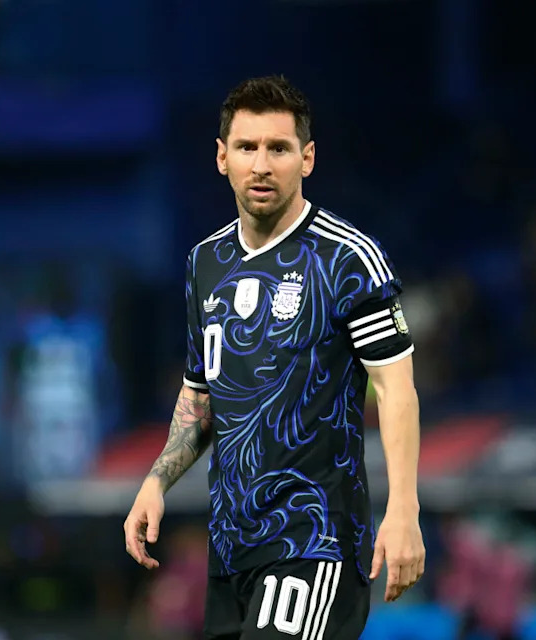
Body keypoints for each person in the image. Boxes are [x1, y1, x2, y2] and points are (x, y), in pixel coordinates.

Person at [124, 75, 425, 639]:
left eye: (279, 148)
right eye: (247, 147)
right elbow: (201, 392)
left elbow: (396, 388)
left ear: (307, 158)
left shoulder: (347, 259)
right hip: (232, 547)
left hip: (315, 542)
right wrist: (156, 481)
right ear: (222, 158)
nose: (261, 164)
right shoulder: (203, 264)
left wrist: (403, 510)